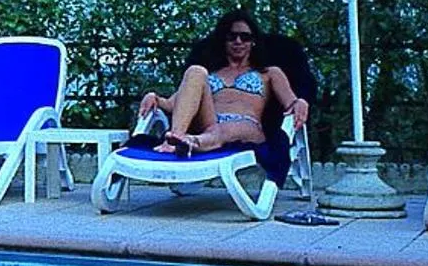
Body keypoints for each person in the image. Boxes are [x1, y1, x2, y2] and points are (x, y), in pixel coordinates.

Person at [133, 9, 311, 158]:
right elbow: (174, 103)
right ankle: (175, 139)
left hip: (246, 126)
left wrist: (300, 102)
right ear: (224, 41)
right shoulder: (210, 72)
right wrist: (154, 98)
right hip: (209, 123)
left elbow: (291, 103)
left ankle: (191, 142)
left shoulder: (269, 72)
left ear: (253, 42)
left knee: (222, 130)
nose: (238, 41)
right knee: (195, 70)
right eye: (232, 36)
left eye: (245, 37)